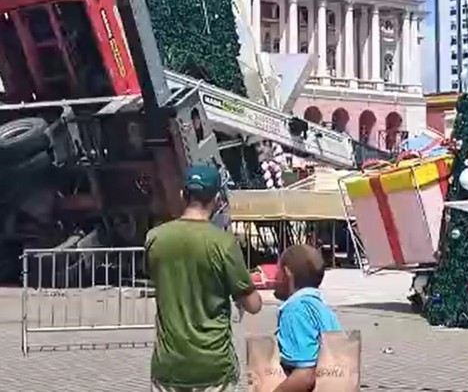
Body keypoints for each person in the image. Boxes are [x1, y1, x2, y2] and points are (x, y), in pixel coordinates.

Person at [147, 164, 262, 392]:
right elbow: (253, 305)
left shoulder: (155, 239)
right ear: (217, 199)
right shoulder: (224, 244)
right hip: (214, 366)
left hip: (169, 366)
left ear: (183, 194)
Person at [270, 244, 343, 392]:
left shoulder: (294, 311)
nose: (274, 277)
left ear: (287, 273)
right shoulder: (321, 309)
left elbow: (305, 375)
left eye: (277, 270)